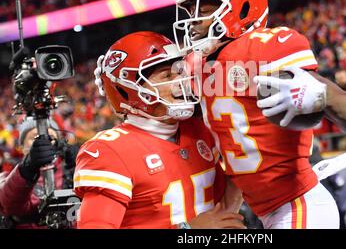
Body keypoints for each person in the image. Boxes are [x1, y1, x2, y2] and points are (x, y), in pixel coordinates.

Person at [172, 0, 346, 229]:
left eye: (204, 7)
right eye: (188, 10)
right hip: (267, 213)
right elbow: (235, 152)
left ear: (241, 7)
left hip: (299, 205)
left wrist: (321, 95)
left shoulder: (265, 49)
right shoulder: (200, 67)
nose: (192, 21)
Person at [77, 31, 244, 229]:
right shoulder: (109, 152)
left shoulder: (198, 128)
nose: (180, 81)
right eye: (167, 75)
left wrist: (227, 213)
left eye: (179, 72)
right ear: (127, 89)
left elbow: (239, 176)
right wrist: (188, 230)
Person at [0, 117, 77, 228]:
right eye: (35, 137)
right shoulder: (8, 172)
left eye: (51, 137)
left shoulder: (67, 171)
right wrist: (27, 169)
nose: (45, 143)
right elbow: (9, 204)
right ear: (21, 146)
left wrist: (80, 167)